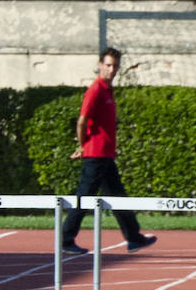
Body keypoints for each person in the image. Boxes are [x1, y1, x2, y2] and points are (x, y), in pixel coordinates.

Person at [61, 47, 157, 255]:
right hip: (96, 155)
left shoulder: (108, 90)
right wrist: (83, 145)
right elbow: (82, 121)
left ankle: (134, 238)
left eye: (115, 66)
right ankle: (65, 239)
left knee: (117, 196)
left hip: (105, 155)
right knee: (85, 196)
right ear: (100, 65)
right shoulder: (95, 90)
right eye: (108, 65)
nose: (112, 69)